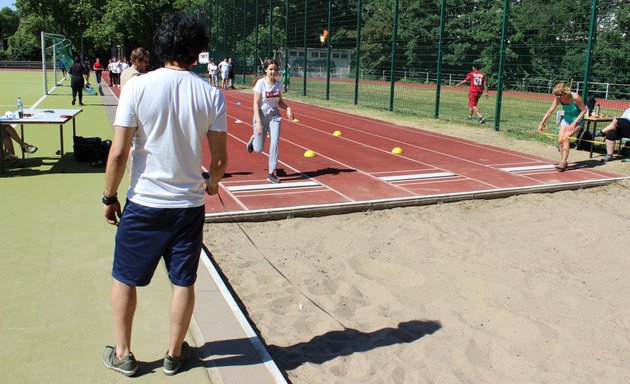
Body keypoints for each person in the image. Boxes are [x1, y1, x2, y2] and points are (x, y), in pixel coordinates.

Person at [101, 14, 227, 377]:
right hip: (187, 206)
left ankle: (123, 353)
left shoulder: (138, 87)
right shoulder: (210, 93)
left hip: (144, 203)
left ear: (161, 46)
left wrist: (109, 197)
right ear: (196, 50)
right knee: (183, 281)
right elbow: (218, 158)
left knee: (124, 277)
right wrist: (213, 184)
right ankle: (174, 354)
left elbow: (119, 152)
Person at [246, 58, 294, 183]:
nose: (273, 72)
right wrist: (259, 123)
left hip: (274, 116)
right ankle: (253, 139)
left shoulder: (278, 85)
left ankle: (271, 173)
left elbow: (280, 102)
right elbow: (255, 104)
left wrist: (288, 108)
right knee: (258, 149)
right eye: (271, 69)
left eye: (275, 69)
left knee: (275, 142)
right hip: (261, 115)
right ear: (266, 70)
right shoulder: (261, 84)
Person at [537, 82, 587, 171]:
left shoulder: (575, 97)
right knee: (560, 141)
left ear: (565, 92)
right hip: (566, 119)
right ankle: (565, 162)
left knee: (566, 138)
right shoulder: (558, 99)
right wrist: (541, 124)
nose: (557, 96)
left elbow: (584, 110)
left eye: (559, 94)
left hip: (577, 120)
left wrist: (574, 122)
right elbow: (550, 111)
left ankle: (563, 162)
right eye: (556, 94)